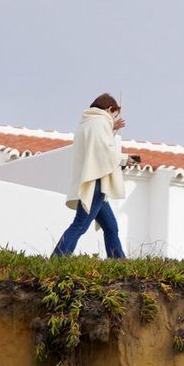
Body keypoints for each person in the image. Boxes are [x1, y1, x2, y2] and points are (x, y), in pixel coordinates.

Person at [52, 93, 133, 259]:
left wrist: (112, 128)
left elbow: (96, 145)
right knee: (80, 225)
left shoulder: (87, 123)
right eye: (114, 115)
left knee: (110, 227)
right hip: (96, 181)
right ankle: (57, 258)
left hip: (92, 180)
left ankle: (119, 260)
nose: (113, 118)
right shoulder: (99, 123)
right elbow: (103, 151)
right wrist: (125, 158)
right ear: (110, 109)